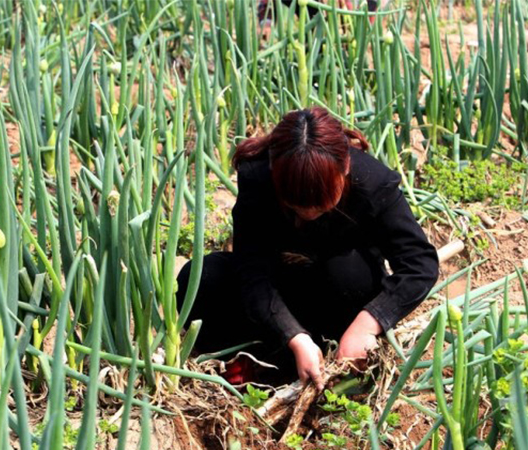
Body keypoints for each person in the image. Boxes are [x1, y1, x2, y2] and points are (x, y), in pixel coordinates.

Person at [177, 107, 439, 389]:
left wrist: (369, 322)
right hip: (279, 293)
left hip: (341, 296)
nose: (310, 214)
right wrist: (295, 337)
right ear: (275, 175)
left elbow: (420, 264)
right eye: (297, 206)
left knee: (346, 271)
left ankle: (313, 356)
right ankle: (268, 357)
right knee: (202, 278)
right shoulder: (258, 176)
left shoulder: (374, 184)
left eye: (322, 203)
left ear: (346, 168)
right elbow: (251, 271)